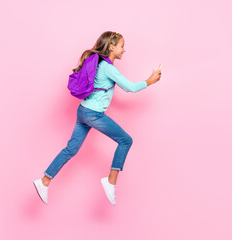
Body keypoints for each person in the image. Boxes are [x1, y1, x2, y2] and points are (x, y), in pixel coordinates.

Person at [34, 31, 161, 206]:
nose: (124, 50)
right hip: (93, 114)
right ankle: (111, 180)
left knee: (71, 149)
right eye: (122, 46)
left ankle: (44, 181)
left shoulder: (100, 64)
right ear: (112, 46)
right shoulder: (108, 68)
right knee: (125, 140)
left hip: (83, 111)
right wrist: (150, 81)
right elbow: (130, 87)